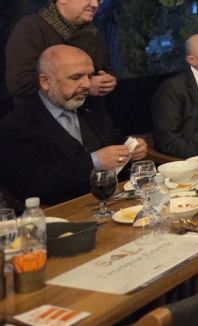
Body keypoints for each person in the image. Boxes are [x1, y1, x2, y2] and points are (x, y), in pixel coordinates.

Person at [0, 46, 147, 206]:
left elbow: (113, 141)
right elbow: (30, 184)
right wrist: (94, 163)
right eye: (76, 77)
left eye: (89, 76)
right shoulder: (17, 125)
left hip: (115, 199)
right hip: (64, 211)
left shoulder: (91, 107)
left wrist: (131, 148)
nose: (86, 84)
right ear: (45, 81)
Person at [6, 0, 117, 100]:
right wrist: (85, 86)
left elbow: (106, 68)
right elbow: (20, 84)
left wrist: (109, 80)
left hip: (91, 111)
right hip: (44, 112)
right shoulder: (30, 28)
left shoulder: (93, 31)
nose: (95, 4)